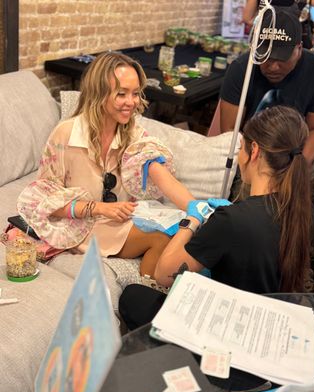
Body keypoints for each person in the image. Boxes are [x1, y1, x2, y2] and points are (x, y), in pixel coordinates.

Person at [119, 105, 312, 330]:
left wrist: (191, 221)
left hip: (226, 326)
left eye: (241, 147)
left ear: (255, 151)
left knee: (133, 297)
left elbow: (164, 274)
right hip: (270, 323)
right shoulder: (305, 213)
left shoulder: (231, 220)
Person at [17, 52, 195, 278]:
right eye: (121, 94)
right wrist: (100, 208)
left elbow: (161, 175)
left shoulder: (134, 134)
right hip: (78, 226)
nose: (131, 102)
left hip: (119, 221)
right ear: (98, 93)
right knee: (159, 239)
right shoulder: (66, 134)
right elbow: (43, 204)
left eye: (135, 93)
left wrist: (197, 210)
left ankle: (153, 296)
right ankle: (147, 297)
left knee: (180, 233)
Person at [220, 6, 314, 293]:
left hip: (299, 150)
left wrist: (297, 167)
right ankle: (251, 271)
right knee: (250, 200)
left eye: (281, 58)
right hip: (255, 151)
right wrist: (262, 169)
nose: (272, 66)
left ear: (300, 48)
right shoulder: (242, 69)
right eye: (265, 56)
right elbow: (230, 133)